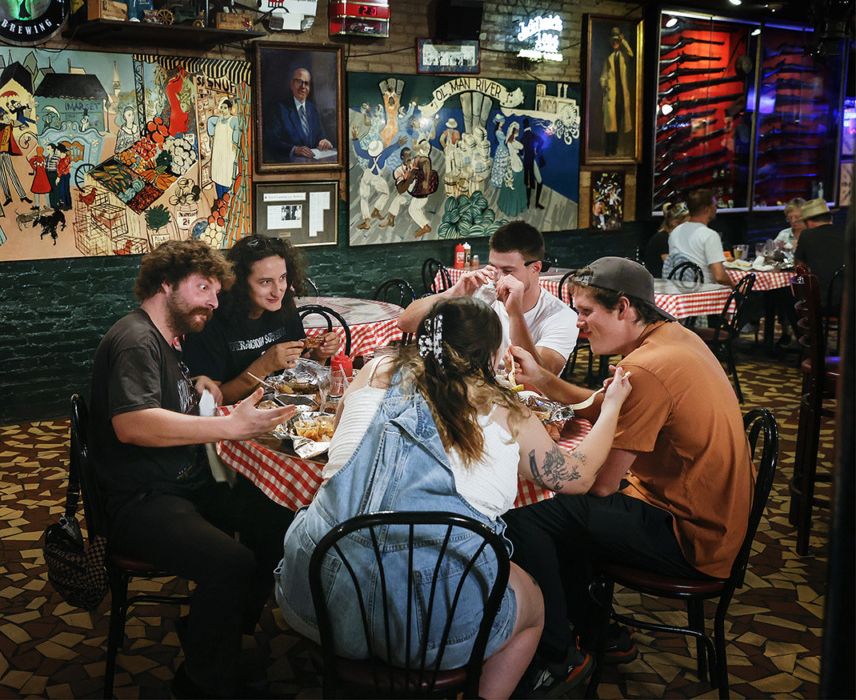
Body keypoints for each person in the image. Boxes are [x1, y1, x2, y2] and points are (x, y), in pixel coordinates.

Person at [275, 298, 633, 700]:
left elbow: (341, 430)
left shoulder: (375, 369)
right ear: (495, 355)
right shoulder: (505, 409)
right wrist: (613, 406)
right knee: (532, 601)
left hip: (318, 599)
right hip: (430, 630)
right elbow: (579, 476)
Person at [503, 257, 754, 698]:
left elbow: (599, 484)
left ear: (623, 307)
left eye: (586, 312)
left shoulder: (648, 368)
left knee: (531, 515)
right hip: (709, 513)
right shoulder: (672, 338)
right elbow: (606, 405)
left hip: (691, 534)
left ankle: (558, 655)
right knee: (566, 516)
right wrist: (543, 378)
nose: (579, 323)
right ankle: (601, 632)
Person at [88, 240, 296, 698]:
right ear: (166, 284)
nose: (213, 301)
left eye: (217, 292)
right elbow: (132, 424)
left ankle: (215, 631)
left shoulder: (165, 338)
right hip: (140, 500)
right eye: (203, 287)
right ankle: (201, 682)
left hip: (180, 484)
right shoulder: (136, 339)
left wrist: (200, 386)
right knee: (231, 563)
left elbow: (164, 397)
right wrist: (231, 429)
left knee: (279, 517)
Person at [397, 220, 578, 375]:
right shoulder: (482, 293)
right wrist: (453, 293)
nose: (497, 278)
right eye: (493, 267)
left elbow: (541, 379)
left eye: (508, 271)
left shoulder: (561, 316)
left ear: (536, 268)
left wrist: (515, 313)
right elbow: (406, 323)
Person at [182, 234, 340, 405]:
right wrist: (264, 365)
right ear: (240, 282)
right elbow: (210, 400)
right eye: (265, 282)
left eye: (282, 278)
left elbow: (299, 378)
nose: (278, 290)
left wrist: (319, 356)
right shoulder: (211, 320)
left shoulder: (284, 307)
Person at [663, 188, 732, 285]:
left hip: (679, 290)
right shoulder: (709, 235)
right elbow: (719, 276)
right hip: (704, 292)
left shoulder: (675, 232)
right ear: (707, 209)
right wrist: (736, 286)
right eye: (715, 206)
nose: (716, 208)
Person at [266, 68, 333, 162]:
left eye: (306, 83)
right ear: (292, 84)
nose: (303, 87)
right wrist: (294, 149)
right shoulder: (279, 109)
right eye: (299, 82)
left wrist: (324, 141)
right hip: (289, 165)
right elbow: (271, 141)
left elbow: (320, 135)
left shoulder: (312, 109)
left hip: (313, 164)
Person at [795, 198, 845, 314]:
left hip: (822, 303)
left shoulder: (807, 235)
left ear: (809, 222)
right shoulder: (848, 232)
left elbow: (799, 265)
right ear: (831, 218)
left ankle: (802, 330)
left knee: (790, 295)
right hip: (849, 302)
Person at [0, 108, 31, 207]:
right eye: (6, 117)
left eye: (8, 116)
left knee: (12, 173)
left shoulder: (11, 124)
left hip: (6, 153)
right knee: (2, 175)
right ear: (2, 119)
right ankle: (8, 197)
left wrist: (27, 113)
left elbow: (21, 122)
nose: (8, 118)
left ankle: (22, 195)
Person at [600, 26, 634, 157]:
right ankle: (608, 148)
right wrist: (604, 85)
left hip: (621, 95)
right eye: (613, 42)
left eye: (617, 41)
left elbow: (631, 53)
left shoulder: (624, 57)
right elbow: (603, 76)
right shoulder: (608, 59)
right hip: (612, 95)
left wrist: (624, 41)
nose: (615, 43)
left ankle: (613, 148)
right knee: (610, 125)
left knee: (618, 124)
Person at [207, 98, 240, 201]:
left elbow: (236, 129)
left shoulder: (233, 120)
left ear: (230, 109)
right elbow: (209, 122)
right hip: (218, 151)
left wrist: (235, 141)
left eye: (225, 108)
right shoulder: (217, 119)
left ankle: (228, 200)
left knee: (228, 174)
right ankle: (220, 199)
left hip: (228, 151)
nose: (223, 110)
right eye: (221, 107)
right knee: (218, 174)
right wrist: (211, 136)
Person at [643, 201, 688, 278]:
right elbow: (671, 268)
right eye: (686, 224)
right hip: (659, 283)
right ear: (674, 223)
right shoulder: (662, 239)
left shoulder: (675, 238)